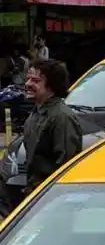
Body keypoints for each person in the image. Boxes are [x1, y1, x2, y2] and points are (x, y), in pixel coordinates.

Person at [16, 59, 82, 202]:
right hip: (36, 194)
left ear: (52, 86)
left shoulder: (62, 117)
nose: (27, 84)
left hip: (54, 198)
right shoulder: (36, 113)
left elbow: (67, 165)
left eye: (35, 80)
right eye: (28, 79)